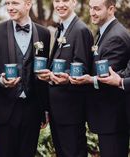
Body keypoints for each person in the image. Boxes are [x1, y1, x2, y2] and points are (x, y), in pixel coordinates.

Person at [0, 0, 51, 156]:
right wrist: (1, 79)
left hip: (32, 110)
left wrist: (45, 109)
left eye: (15, 3)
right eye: (7, 3)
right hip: (4, 109)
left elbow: (42, 75)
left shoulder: (44, 34)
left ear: (28, 4)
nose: (10, 7)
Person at [69, 0, 130, 156]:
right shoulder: (104, 31)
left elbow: (111, 77)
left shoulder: (115, 36)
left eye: (97, 9)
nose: (91, 12)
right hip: (107, 117)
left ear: (111, 9)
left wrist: (89, 79)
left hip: (113, 118)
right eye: (90, 8)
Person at [37, 0, 93, 156]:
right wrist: (49, 74)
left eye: (65, 0)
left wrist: (64, 77)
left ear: (74, 2)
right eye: (57, 1)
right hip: (57, 110)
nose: (60, 5)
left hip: (71, 110)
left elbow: (82, 67)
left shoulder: (80, 30)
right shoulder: (60, 30)